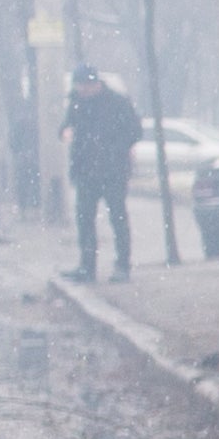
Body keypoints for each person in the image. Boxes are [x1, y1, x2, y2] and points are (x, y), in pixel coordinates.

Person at [61, 66, 141, 280]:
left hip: (112, 171)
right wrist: (66, 132)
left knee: (118, 217)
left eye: (84, 86)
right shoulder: (77, 103)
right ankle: (87, 267)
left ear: (94, 84)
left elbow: (134, 131)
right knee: (85, 219)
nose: (82, 91)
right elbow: (66, 126)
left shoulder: (117, 102)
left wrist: (114, 149)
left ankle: (123, 265)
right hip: (86, 172)